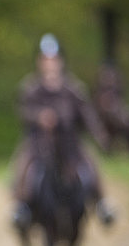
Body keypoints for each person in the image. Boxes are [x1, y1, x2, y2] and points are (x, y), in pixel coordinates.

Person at [11, 33, 116, 230]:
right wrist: (39, 117)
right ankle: (21, 206)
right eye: (46, 60)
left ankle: (102, 203)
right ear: (39, 62)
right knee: (24, 164)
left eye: (53, 60)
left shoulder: (74, 89)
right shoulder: (31, 88)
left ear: (60, 61)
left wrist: (100, 135)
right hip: (38, 144)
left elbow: (88, 115)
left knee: (91, 163)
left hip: (70, 144)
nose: (50, 64)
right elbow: (23, 111)